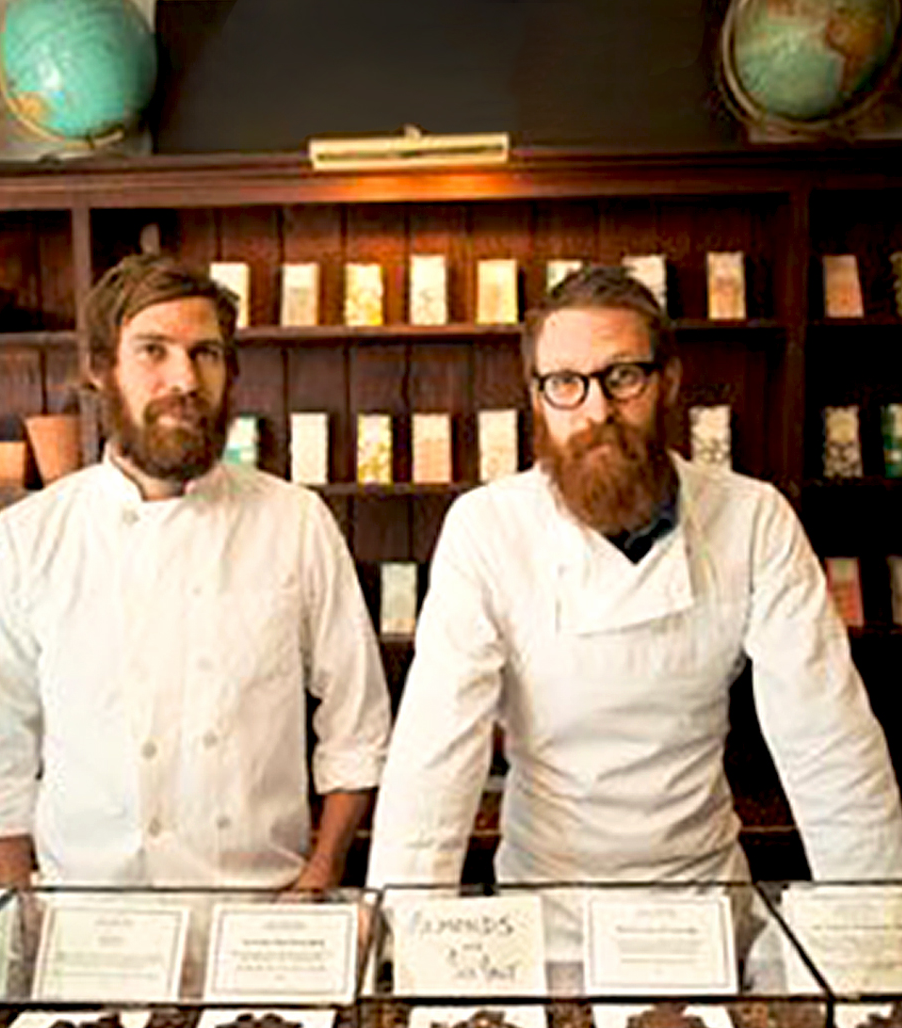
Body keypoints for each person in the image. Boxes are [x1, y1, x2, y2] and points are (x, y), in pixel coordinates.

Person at [367, 264, 902, 888]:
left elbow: (828, 740)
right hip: (547, 902)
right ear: (537, 397)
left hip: (702, 898)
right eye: (565, 383)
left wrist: (877, 924)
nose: (597, 410)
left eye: (622, 376)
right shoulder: (486, 528)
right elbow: (434, 752)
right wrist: (403, 921)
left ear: (668, 380)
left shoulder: (753, 518)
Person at [0, 253, 390, 890]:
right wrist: (16, 911)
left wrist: (321, 874)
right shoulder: (28, 539)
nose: (184, 378)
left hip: (259, 912)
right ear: (101, 368)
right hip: (89, 918)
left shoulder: (295, 522)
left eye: (206, 353)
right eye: (153, 351)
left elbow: (357, 723)